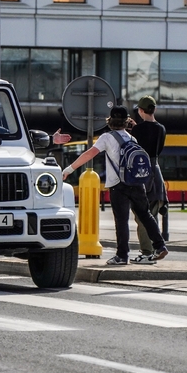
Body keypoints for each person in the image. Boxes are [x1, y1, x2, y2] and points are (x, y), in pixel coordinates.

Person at [62, 106, 169, 265]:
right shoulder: (132, 139)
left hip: (118, 185)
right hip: (137, 183)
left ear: (110, 121)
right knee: (145, 214)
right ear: (126, 122)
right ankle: (160, 246)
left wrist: (70, 169)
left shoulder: (107, 137)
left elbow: (89, 154)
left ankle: (122, 256)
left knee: (122, 221)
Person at [129, 95, 168, 265]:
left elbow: (138, 145)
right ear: (154, 109)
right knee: (153, 215)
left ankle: (146, 253)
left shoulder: (136, 131)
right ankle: (154, 250)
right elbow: (152, 140)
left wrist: (133, 128)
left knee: (141, 216)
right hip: (156, 173)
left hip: (142, 173)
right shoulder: (162, 129)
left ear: (141, 110)